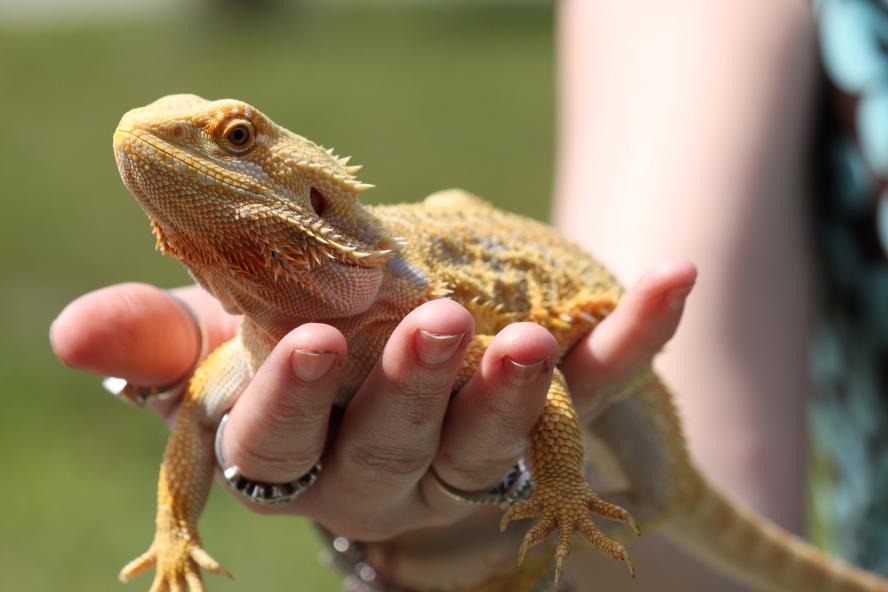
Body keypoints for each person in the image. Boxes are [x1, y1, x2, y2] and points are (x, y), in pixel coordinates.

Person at [50, 1, 884, 589]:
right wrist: (176, 534)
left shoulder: (404, 306)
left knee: (667, 495)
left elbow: (550, 387)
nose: (159, 139)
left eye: (234, 139)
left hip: (609, 365)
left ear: (314, 200)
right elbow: (197, 431)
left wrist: (553, 492)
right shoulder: (250, 348)